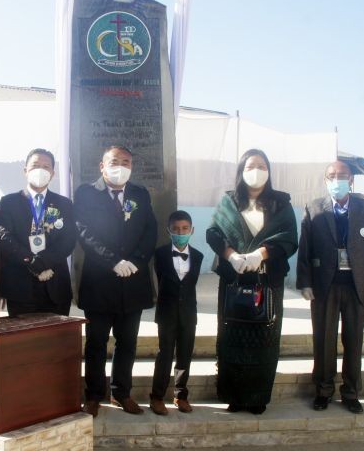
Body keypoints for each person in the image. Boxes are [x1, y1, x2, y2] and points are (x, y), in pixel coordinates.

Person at [206, 148, 298, 414]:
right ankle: (233, 396)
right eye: (249, 166)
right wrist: (232, 256)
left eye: (261, 166)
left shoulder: (281, 203)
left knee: (265, 338)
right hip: (234, 280)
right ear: (241, 172)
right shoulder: (228, 202)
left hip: (268, 281)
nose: (255, 171)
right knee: (231, 337)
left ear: (268, 172)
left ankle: (257, 397)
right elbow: (214, 233)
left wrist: (261, 254)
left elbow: (289, 238)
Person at [75, 145, 158, 417]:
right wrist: (113, 261)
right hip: (100, 281)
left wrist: (136, 261)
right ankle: (94, 395)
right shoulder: (87, 193)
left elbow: (150, 231)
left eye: (125, 161)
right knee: (97, 343)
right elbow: (85, 232)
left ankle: (121, 393)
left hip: (132, 282)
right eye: (114, 161)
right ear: (102, 166)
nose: (119, 166)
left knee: (128, 342)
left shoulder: (140, 194)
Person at [296, 160, 364, 414]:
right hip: (325, 285)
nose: (337, 180)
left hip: (358, 285)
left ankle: (351, 392)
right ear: (326, 181)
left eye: (342, 175)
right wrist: (305, 282)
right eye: (332, 176)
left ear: (351, 180)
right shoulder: (314, 208)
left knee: (354, 341)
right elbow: (306, 248)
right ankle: (323, 390)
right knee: (323, 340)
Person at [0, 149, 75, 316]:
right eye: (35, 165)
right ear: (25, 170)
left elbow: (68, 240)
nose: (41, 170)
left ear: (53, 173)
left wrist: (44, 262)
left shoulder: (64, 204)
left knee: (56, 340)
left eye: (46, 166)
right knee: (22, 341)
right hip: (20, 287)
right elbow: (4, 236)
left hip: (55, 284)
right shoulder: (9, 202)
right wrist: (31, 261)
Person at [149, 210, 203, 416]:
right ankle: (157, 396)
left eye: (185, 229)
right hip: (167, 312)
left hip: (189, 312)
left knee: (185, 354)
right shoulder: (160, 254)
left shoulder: (198, 256)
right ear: (169, 231)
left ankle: (181, 395)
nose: (181, 232)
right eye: (176, 229)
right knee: (165, 354)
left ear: (191, 230)